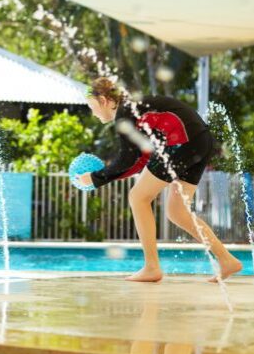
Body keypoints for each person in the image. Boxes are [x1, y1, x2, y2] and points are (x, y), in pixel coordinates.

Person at [78, 77, 242, 282]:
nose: (92, 113)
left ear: (103, 100)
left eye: (92, 106)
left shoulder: (125, 112)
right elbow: (139, 160)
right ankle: (227, 260)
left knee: (138, 198)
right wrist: (107, 176)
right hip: (199, 142)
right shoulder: (134, 110)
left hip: (183, 142)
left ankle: (152, 267)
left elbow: (126, 159)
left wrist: (95, 178)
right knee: (177, 211)